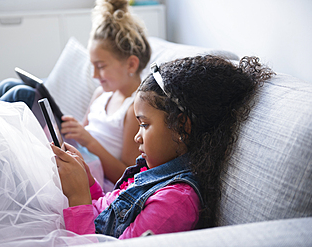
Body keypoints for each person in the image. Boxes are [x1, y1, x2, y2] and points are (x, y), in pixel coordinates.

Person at [50, 55, 274, 238]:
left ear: (181, 127)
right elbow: (107, 216)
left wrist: (78, 197)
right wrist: (88, 183)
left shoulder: (174, 202)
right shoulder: (152, 169)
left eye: (145, 125)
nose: (137, 137)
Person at [0, 0, 151, 188]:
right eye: (93, 66)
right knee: (10, 85)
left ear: (131, 64)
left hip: (92, 174)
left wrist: (87, 140)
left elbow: (128, 174)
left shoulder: (133, 110)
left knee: (22, 94)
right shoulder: (101, 94)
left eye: (101, 66)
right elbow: (82, 132)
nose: (94, 75)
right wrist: (71, 127)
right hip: (77, 153)